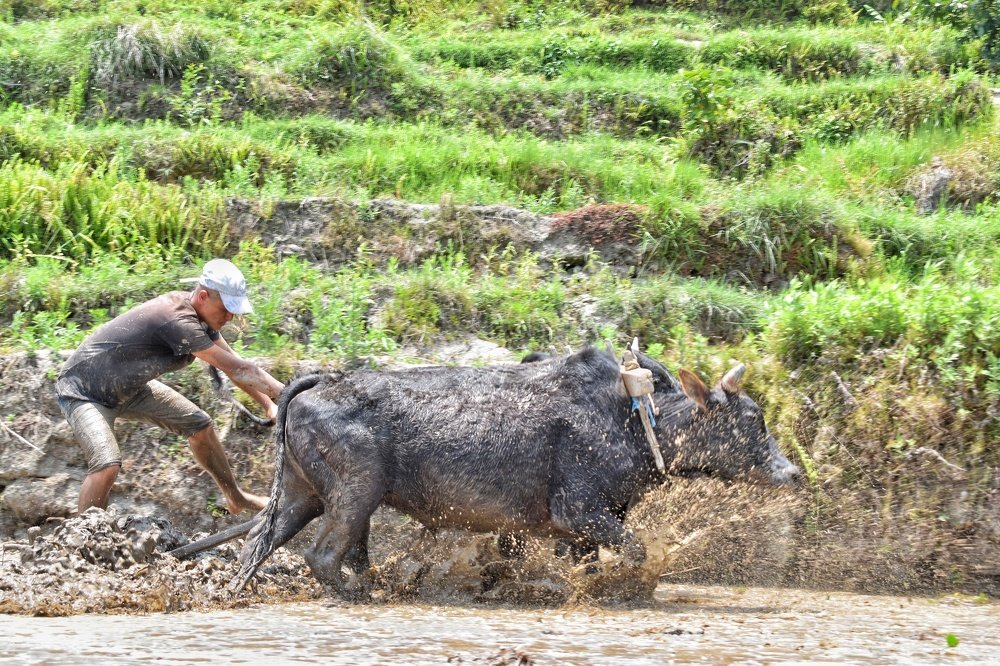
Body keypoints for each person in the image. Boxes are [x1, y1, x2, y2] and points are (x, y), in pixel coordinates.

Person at [55, 258, 285, 516]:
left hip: (129, 388)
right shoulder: (177, 320)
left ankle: (237, 498)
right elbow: (239, 369)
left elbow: (235, 366)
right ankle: (86, 537)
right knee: (107, 465)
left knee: (200, 426)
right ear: (202, 296)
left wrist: (269, 405)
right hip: (84, 390)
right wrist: (286, 395)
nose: (230, 317)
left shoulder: (202, 321)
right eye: (226, 308)